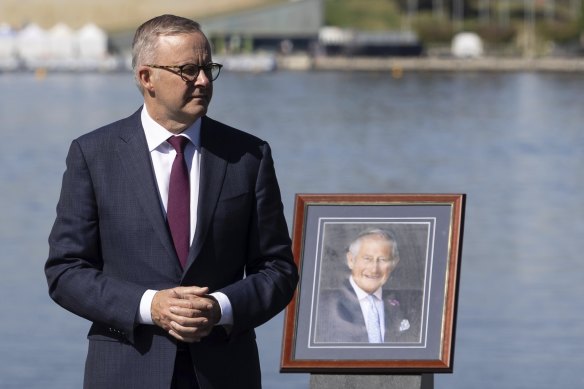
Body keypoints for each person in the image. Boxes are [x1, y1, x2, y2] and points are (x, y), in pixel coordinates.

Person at [45, 14, 298, 389]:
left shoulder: (249, 155)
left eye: (208, 68)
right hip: (126, 371)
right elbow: (66, 272)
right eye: (188, 70)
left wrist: (219, 308)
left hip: (224, 374)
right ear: (146, 77)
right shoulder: (93, 154)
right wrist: (150, 306)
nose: (203, 81)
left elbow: (277, 269)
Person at [315, 229, 418, 344]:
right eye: (367, 259)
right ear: (351, 260)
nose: (374, 269)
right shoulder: (320, 306)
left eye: (383, 260)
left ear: (394, 263)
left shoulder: (411, 305)